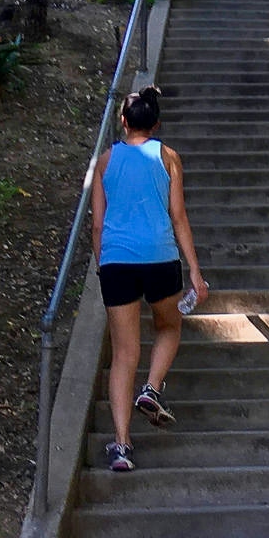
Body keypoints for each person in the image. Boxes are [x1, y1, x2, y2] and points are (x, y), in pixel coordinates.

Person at [91, 85, 206, 472]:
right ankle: (152, 388)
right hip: (159, 257)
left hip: (117, 262)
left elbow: (97, 225)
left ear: (123, 122)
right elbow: (179, 217)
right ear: (156, 124)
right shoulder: (169, 157)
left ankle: (122, 446)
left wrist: (102, 265)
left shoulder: (105, 162)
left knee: (124, 354)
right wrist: (195, 271)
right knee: (169, 326)